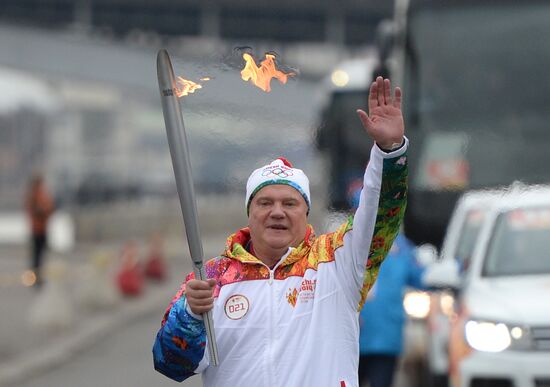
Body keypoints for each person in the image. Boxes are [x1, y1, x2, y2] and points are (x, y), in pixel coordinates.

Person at [152, 76, 408, 387]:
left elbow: (380, 215)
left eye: (290, 203)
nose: (277, 211)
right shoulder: (212, 280)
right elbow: (170, 364)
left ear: (306, 213)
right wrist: (190, 316)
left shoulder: (338, 263)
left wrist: (388, 151)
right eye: (265, 202)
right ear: (250, 213)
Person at [358, 233, 426, 387]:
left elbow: (422, 277)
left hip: (385, 339)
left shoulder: (402, 246)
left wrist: (457, 267)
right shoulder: (350, 238)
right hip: (352, 338)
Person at [24, 173, 54, 288]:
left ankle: (38, 277)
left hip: (42, 228)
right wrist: (43, 211)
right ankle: (34, 278)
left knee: (40, 255)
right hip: (37, 229)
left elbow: (49, 207)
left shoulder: (41, 194)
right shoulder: (34, 195)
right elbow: (35, 210)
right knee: (36, 256)